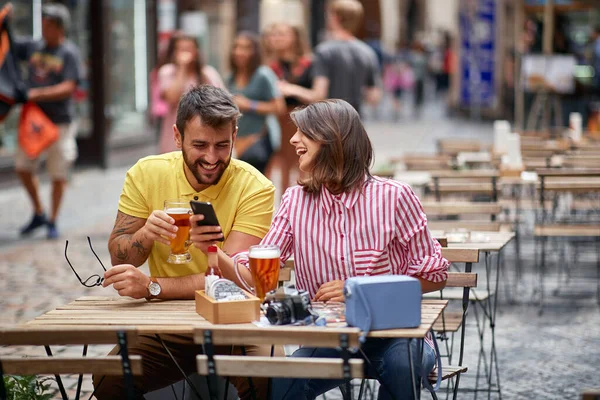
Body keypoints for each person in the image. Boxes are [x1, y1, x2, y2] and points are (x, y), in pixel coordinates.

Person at [219, 99, 449, 399]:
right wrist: (213, 251)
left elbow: (436, 274)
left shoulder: (394, 197)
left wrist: (359, 290)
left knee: (402, 365)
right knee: (283, 381)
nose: (292, 139)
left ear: (331, 140)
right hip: (328, 336)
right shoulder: (295, 201)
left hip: (395, 333)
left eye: (304, 133)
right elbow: (257, 273)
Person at [93, 85, 279, 399]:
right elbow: (120, 259)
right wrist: (145, 235)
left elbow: (232, 282)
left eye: (222, 145)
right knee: (108, 380)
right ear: (178, 137)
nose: (211, 157)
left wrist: (153, 286)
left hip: (233, 318)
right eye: (200, 144)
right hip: (167, 322)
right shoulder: (146, 173)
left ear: (235, 134)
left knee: (267, 380)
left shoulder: (255, 187)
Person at [10, 3, 82, 240]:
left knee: (58, 173)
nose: (44, 28)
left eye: (49, 25)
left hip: (59, 122)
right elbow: (10, 45)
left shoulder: (69, 52)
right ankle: (39, 211)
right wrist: (5, 21)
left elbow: (69, 86)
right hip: (33, 121)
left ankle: (52, 219)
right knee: (22, 166)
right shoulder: (33, 46)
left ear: (60, 28)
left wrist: (36, 94)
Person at [287, 0, 381, 115]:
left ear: (336, 18)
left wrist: (290, 89)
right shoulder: (367, 52)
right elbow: (374, 97)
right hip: (355, 122)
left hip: (330, 122)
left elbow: (318, 95)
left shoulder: (324, 51)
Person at [226, 31, 285, 174]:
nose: (240, 52)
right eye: (237, 47)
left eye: (246, 48)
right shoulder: (230, 78)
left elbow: (279, 107)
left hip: (259, 137)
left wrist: (249, 105)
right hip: (237, 139)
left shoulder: (263, 74)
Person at [158, 32, 225, 153]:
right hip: (175, 133)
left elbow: (222, 101)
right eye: (181, 49)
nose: (185, 52)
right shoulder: (167, 72)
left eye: (189, 48)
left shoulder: (208, 73)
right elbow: (171, 97)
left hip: (204, 132)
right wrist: (182, 68)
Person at [269, 23, 312, 191]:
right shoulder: (271, 64)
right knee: (281, 164)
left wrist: (290, 89)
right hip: (279, 118)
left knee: (303, 162)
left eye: (282, 34)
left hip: (303, 118)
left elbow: (316, 93)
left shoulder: (308, 63)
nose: (276, 38)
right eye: (274, 35)